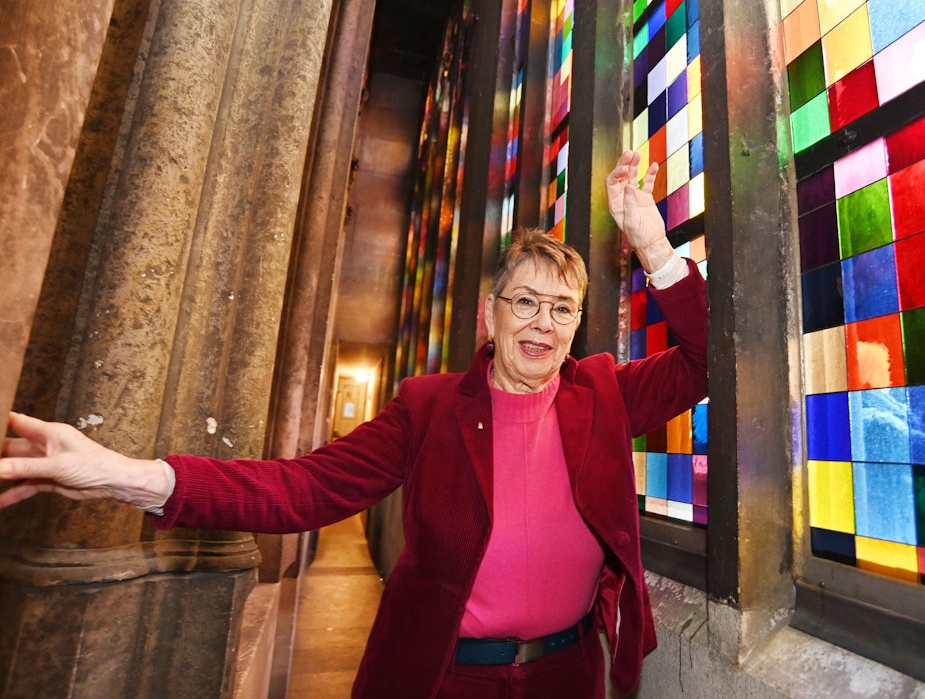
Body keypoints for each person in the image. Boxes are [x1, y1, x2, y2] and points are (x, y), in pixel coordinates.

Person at [0, 150, 708, 698]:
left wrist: (653, 245)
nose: (543, 324)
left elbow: (708, 361)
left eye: (561, 309)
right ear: (488, 316)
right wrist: (123, 476)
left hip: (567, 675)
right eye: (525, 302)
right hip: (445, 677)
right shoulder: (429, 408)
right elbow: (302, 489)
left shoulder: (603, 394)